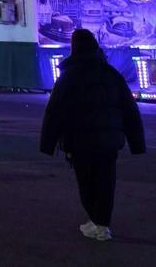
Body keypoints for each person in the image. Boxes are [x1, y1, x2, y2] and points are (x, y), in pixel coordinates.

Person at [40, 29, 146, 241]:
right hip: (108, 141)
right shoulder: (111, 74)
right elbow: (129, 109)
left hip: (79, 141)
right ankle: (102, 224)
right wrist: (137, 143)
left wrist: (48, 143)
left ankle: (96, 222)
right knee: (107, 181)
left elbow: (55, 112)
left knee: (86, 182)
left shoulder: (68, 77)